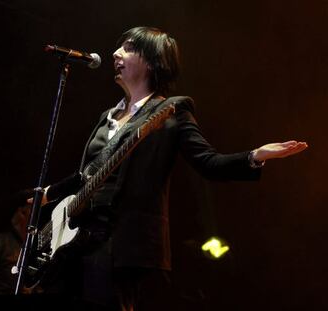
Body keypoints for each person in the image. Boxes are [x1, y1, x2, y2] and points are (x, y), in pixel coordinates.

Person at [29, 26, 308, 310]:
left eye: (128, 48)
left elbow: (209, 163)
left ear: (151, 61)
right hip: (78, 245)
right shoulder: (107, 117)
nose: (116, 53)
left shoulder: (172, 112)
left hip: (123, 246)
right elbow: (86, 175)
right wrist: (49, 194)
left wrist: (254, 156)